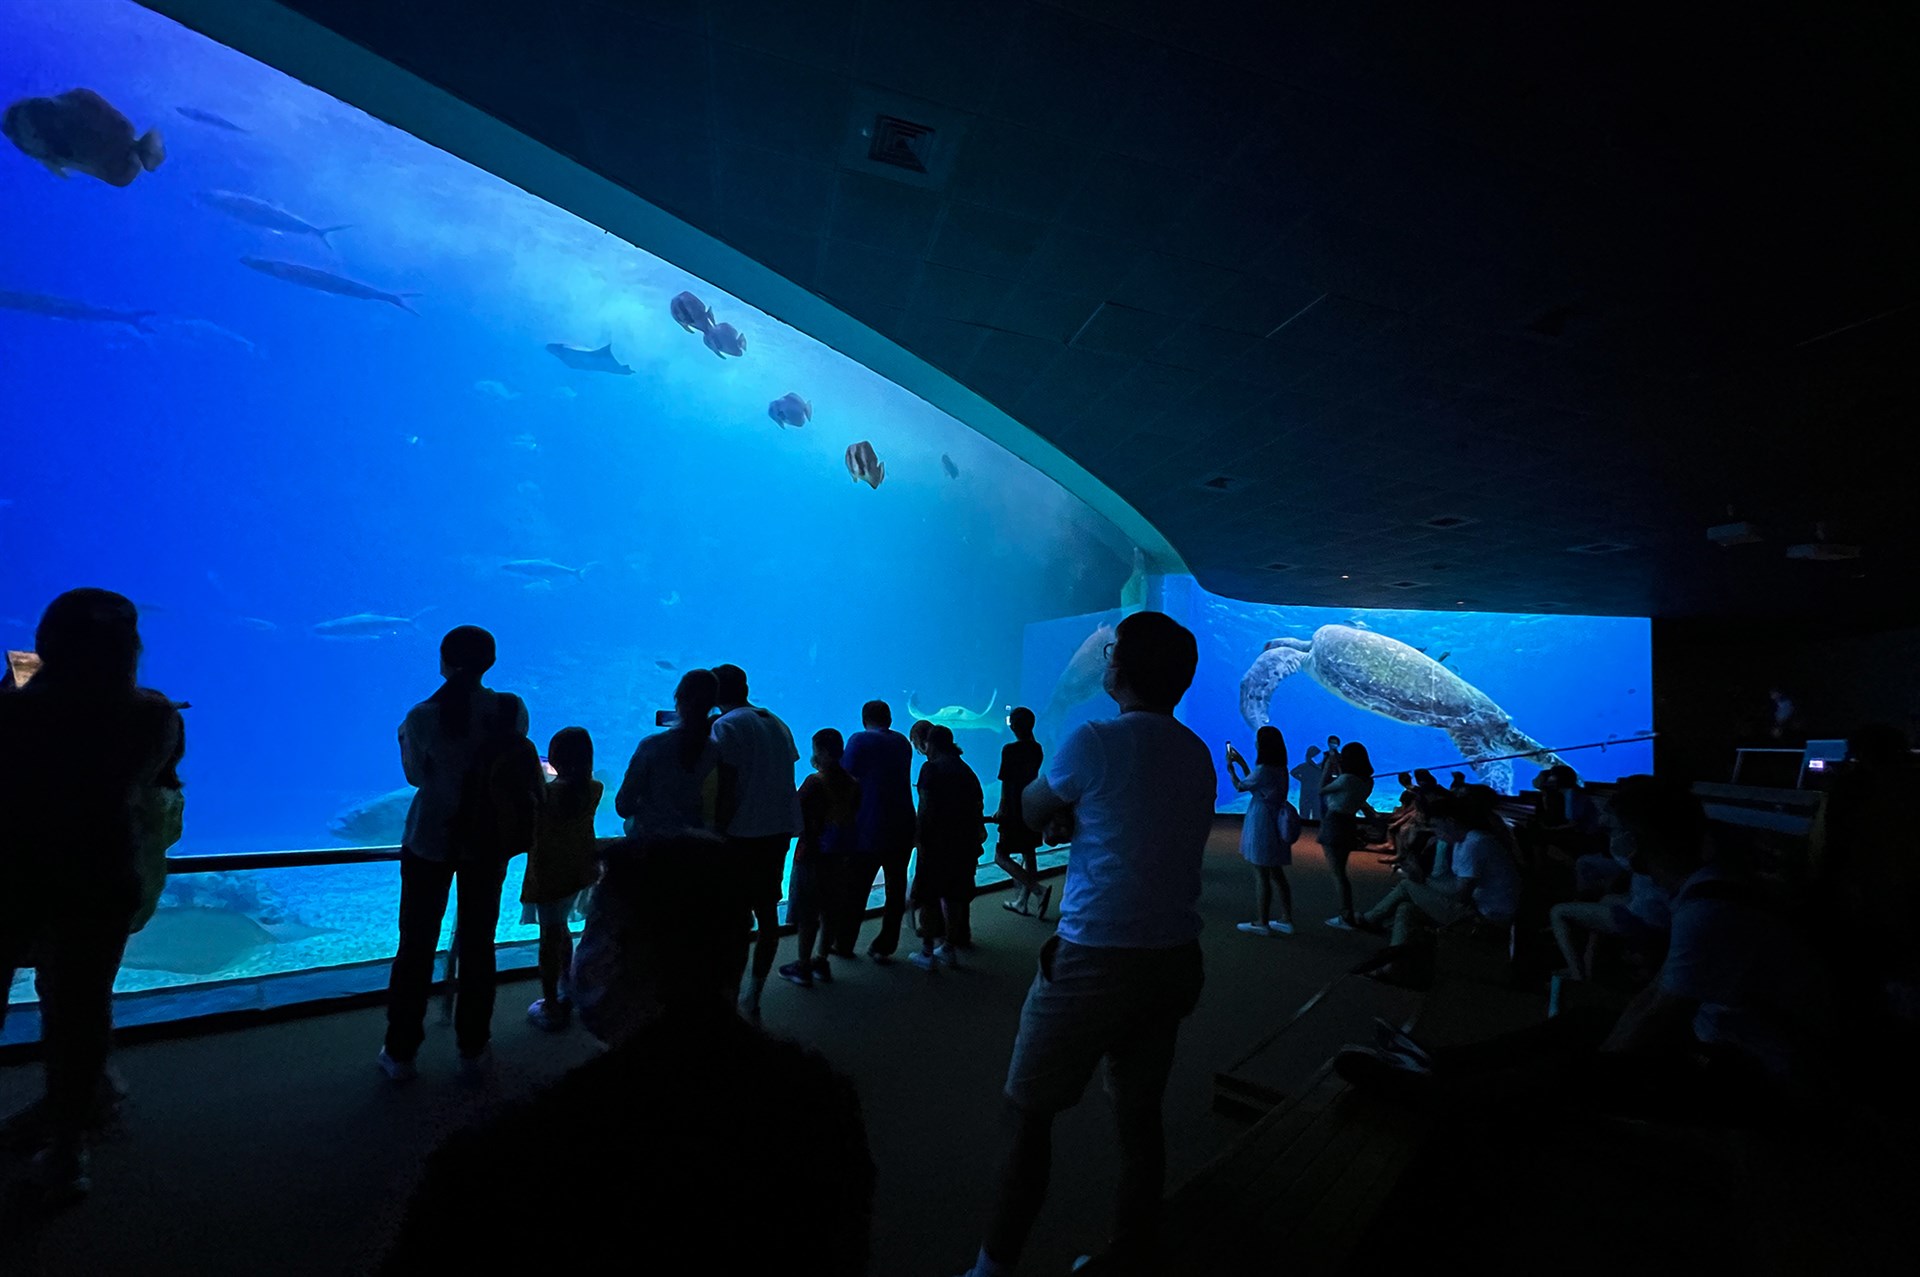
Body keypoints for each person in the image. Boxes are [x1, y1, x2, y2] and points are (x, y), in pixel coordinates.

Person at [385, 835, 876, 1275]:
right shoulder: (823, 1104)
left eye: (590, 930)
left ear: (618, 951)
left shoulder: (499, 1164)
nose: (580, 953)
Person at [955, 611, 1214, 1277]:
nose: (1104, 662)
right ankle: (1133, 1248)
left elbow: (1031, 810)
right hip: (1176, 955)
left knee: (1027, 1111)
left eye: (1111, 655)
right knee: (1138, 1114)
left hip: (1098, 955)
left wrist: (1064, 811)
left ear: (1120, 671)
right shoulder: (1197, 752)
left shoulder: (1093, 740)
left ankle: (991, 1268)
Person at [1337, 776, 1834, 1111]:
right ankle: (1444, 1064)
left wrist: (1603, 1069)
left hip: (1757, 1073)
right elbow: (1659, 992)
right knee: (1587, 1022)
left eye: (1616, 830)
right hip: (1724, 1042)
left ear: (1640, 839)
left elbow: (1662, 1013)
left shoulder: (1708, 912)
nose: (1609, 839)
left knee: (1577, 1063)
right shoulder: (1702, 888)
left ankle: (1443, 1097)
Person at [0, 589, 182, 1200]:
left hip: (13, 876)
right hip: (100, 882)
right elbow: (157, 772)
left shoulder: (13, 711)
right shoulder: (153, 715)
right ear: (129, 647)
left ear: (49, 641)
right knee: (78, 1015)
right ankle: (67, 1153)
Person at [382, 625, 540, 1084]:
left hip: (430, 840)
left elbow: (416, 778)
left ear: (444, 661)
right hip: (488, 841)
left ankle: (401, 1053)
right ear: (491, 661)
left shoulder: (422, 716)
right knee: (478, 945)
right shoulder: (511, 709)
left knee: (414, 947)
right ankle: (473, 1048)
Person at [710, 663, 801, 1022]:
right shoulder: (777, 722)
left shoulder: (725, 725)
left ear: (718, 694)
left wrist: (717, 829)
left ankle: (727, 995)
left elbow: (726, 783)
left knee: (731, 919)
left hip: (740, 835)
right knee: (766, 915)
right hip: (777, 832)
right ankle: (754, 994)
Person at [1358, 786, 1522, 953]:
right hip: (1480, 907)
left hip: (1487, 918)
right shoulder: (1464, 840)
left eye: (1436, 826)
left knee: (1408, 886)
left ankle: (1368, 921)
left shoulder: (1473, 843)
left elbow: (1460, 895)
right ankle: (1393, 964)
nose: (1434, 833)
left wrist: (1422, 878)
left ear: (1450, 821)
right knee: (1406, 909)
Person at [522, 726, 602, 1031]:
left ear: (554, 758)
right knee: (562, 931)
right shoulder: (594, 789)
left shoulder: (545, 795)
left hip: (548, 876)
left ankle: (551, 1006)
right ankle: (568, 986)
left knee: (548, 939)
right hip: (577, 873)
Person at [781, 728, 859, 989]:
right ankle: (821, 960)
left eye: (815, 750)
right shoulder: (852, 782)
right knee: (831, 910)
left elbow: (794, 812)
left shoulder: (815, 782)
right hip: (840, 857)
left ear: (823, 752)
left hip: (812, 855)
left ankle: (802, 965)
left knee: (807, 913)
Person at [840, 701, 916, 962]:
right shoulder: (903, 742)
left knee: (856, 888)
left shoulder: (859, 741)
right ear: (890, 718)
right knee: (896, 888)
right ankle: (885, 945)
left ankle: (844, 942)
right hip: (904, 824)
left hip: (869, 827)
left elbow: (844, 774)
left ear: (864, 719)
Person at [909, 725, 986, 971]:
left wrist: (918, 838)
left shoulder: (930, 768)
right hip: (963, 843)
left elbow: (925, 806)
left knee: (929, 897)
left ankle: (927, 952)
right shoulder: (966, 770)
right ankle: (949, 948)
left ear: (931, 744)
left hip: (936, 844)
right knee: (955, 897)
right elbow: (977, 805)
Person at [614, 669, 721, 838]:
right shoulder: (715, 751)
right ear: (713, 706)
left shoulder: (652, 746)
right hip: (694, 842)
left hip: (651, 841)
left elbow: (623, 805)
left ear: (678, 700)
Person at [1231, 725, 1295, 936]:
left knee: (1261, 872)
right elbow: (1257, 785)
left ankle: (1262, 922)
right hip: (1275, 818)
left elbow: (1241, 786)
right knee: (1276, 871)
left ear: (1262, 746)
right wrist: (1241, 763)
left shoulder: (1264, 770)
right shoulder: (1279, 768)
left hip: (1262, 822)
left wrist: (1231, 768)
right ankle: (1286, 918)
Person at [994, 707, 1051, 919]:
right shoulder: (1037, 748)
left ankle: (1038, 890)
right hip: (1031, 804)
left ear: (1014, 725)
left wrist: (1002, 808)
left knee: (1000, 856)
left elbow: (1007, 782)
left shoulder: (1010, 750)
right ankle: (1022, 902)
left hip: (1013, 808)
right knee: (1029, 851)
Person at [1319, 740, 1375, 929]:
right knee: (1341, 872)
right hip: (1349, 823)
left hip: (1334, 823)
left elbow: (1321, 789)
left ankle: (1346, 915)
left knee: (1338, 874)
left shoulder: (1346, 780)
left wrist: (1328, 766)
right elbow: (1348, 784)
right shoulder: (1367, 781)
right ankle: (1347, 912)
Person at [1291, 745, 1324, 821]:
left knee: (1314, 815)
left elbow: (1293, 772)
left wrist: (1302, 779)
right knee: (1306, 815)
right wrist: (1302, 779)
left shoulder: (1306, 766)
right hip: (1309, 794)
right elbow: (1293, 772)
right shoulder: (1305, 766)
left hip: (1311, 794)